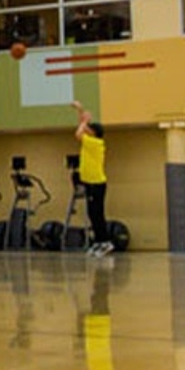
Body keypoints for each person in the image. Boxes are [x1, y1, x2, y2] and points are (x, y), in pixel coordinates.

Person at [72, 100, 112, 256]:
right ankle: (98, 241)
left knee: (97, 213)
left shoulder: (95, 143)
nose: (86, 131)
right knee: (91, 213)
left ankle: (105, 242)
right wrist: (80, 110)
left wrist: (85, 119)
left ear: (94, 134)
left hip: (97, 183)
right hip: (90, 182)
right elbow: (82, 126)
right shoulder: (90, 141)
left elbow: (79, 132)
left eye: (89, 130)